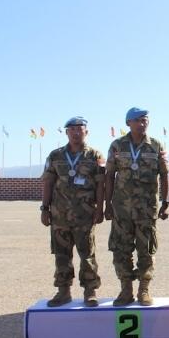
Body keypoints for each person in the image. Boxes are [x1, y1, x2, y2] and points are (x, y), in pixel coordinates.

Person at [104, 107, 169, 306]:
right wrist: (107, 205)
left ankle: (144, 289)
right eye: (138, 120)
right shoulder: (117, 145)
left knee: (146, 250)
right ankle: (126, 289)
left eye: (145, 120)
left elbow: (165, 175)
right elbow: (109, 175)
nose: (142, 123)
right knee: (121, 249)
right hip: (122, 210)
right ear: (128, 123)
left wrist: (165, 202)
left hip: (146, 209)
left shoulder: (156, 145)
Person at [41, 117, 105, 307]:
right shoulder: (55, 156)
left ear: (87, 131)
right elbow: (48, 182)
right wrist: (45, 208)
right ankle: (63, 291)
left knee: (87, 255)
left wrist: (100, 209)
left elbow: (101, 185)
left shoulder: (95, 156)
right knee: (61, 254)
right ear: (67, 133)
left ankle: (90, 291)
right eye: (72, 129)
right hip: (59, 215)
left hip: (84, 216)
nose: (76, 133)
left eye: (80, 129)